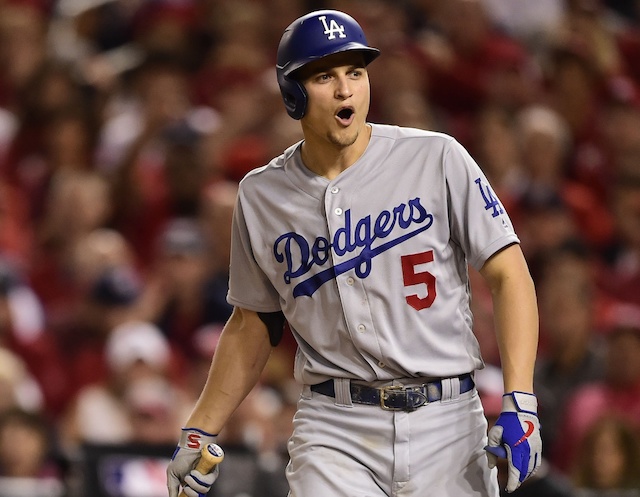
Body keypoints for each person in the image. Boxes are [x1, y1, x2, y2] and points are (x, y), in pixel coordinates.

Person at [167, 9, 541, 497]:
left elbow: (509, 273)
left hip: (447, 421)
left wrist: (520, 397)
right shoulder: (260, 196)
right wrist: (200, 428)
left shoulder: (436, 157)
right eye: (325, 76)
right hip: (334, 427)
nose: (346, 89)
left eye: (356, 73)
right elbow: (252, 323)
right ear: (292, 93)